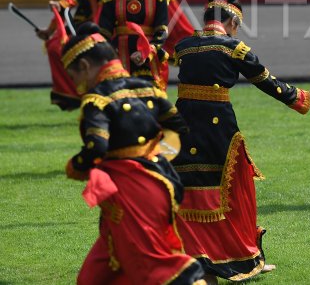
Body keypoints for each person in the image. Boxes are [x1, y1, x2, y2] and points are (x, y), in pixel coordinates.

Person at [173, 0, 310, 281]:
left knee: (192, 192)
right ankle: (241, 257)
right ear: (231, 23)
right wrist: (308, 96)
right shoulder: (234, 48)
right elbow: (269, 83)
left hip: (183, 127)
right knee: (237, 190)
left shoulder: (184, 46)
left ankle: (192, 254)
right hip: (219, 130)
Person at [60, 23, 206, 285]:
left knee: (153, 267)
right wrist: (154, 156)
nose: (76, 85)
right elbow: (179, 127)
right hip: (158, 182)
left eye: (73, 77)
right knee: (96, 275)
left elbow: (97, 148)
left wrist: (75, 166)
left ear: (84, 67)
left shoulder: (97, 100)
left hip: (132, 193)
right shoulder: (148, 87)